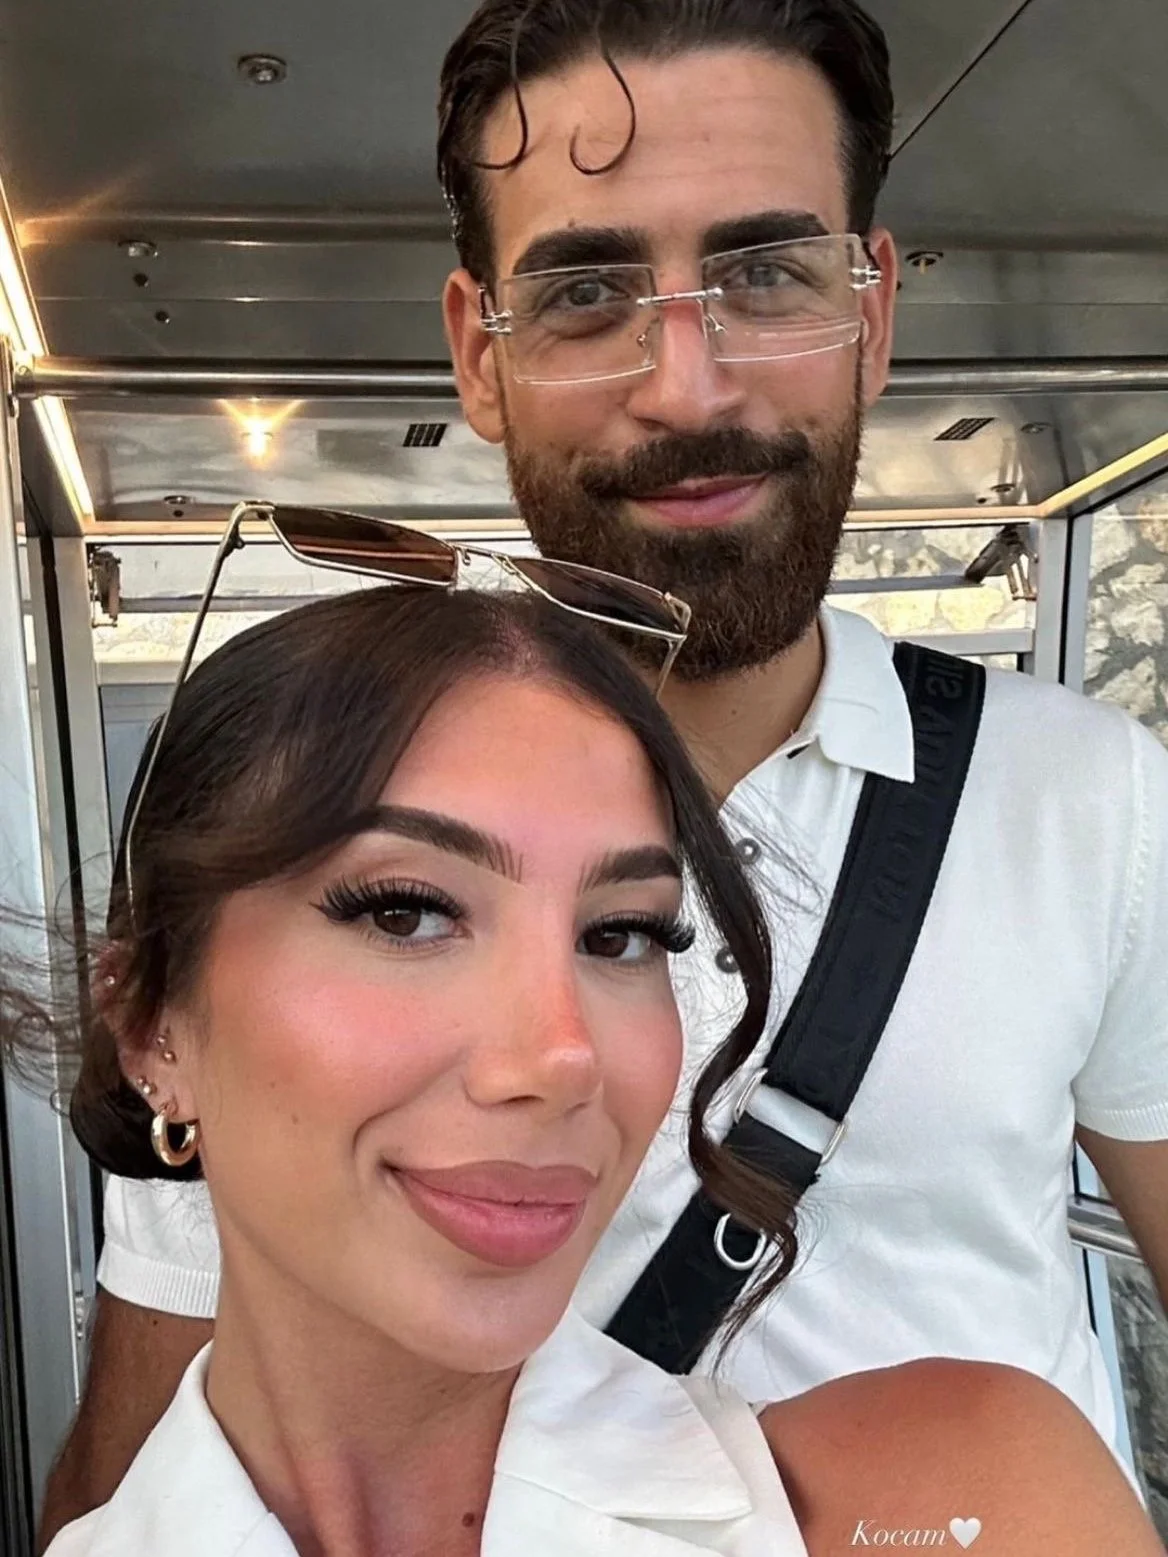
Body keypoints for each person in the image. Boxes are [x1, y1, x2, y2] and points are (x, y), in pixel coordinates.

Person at [38, 0, 1168, 1540]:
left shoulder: (1096, 798)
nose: (688, 389)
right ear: (477, 353)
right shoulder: (285, 825)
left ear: (873, 311)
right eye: (585, 292)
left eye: (767, 274)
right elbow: (160, 1439)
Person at [26, 584, 1161, 1555]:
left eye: (620, 934)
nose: (564, 1057)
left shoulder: (960, 1499)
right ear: (152, 1029)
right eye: (406, 911)